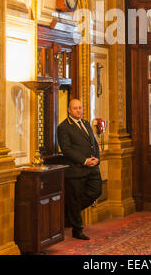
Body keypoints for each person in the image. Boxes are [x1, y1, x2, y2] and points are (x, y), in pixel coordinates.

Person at [57, 98, 102, 240]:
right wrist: (84, 161)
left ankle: (69, 212)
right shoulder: (63, 127)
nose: (78, 110)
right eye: (75, 108)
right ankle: (77, 230)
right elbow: (67, 150)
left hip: (92, 167)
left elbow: (94, 143)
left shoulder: (86, 123)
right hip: (76, 169)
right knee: (75, 199)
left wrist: (96, 158)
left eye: (80, 108)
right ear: (69, 110)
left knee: (96, 191)